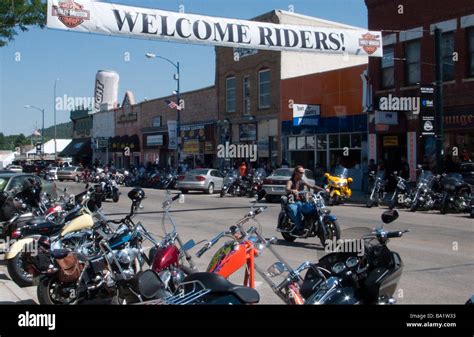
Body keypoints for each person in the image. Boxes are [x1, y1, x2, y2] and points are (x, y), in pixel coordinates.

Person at [285, 166, 326, 236]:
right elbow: (287, 188)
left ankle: (310, 224)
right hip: (292, 202)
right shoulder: (290, 181)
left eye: (303, 173)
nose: (302, 174)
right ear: (296, 172)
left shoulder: (302, 181)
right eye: (301, 173)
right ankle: (299, 228)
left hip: (300, 202)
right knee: (294, 211)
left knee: (311, 208)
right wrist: (292, 190)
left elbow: (312, 186)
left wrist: (323, 190)